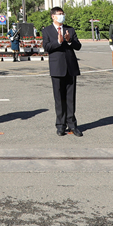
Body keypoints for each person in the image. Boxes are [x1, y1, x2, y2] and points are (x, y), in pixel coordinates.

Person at [42, 7, 83, 137]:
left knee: (70, 99)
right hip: (57, 68)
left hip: (71, 67)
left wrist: (70, 40)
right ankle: (60, 125)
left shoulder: (70, 29)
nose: (62, 16)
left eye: (62, 14)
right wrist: (59, 41)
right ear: (53, 16)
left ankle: (72, 124)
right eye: (59, 14)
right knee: (59, 99)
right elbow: (47, 47)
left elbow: (78, 46)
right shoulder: (47, 30)